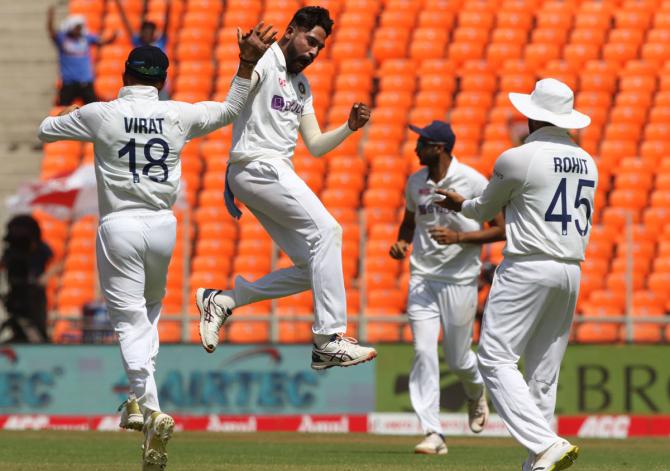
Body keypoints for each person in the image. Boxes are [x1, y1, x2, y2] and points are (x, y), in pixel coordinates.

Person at [37, 25, 275, 470]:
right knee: (149, 313)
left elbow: (45, 130)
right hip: (164, 226)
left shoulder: (100, 114)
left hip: (120, 224)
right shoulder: (178, 115)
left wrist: (76, 118)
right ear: (162, 81)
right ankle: (142, 405)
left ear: (123, 74)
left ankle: (145, 406)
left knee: (128, 322)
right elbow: (229, 110)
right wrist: (245, 63)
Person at [195, 6, 376, 370]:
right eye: (310, 41)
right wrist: (246, 62)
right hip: (256, 165)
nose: (312, 52)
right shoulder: (266, 60)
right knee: (329, 231)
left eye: (319, 49)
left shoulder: (302, 86)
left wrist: (349, 128)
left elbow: (316, 145)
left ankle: (224, 300)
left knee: (315, 267)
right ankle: (329, 338)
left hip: (266, 171)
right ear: (291, 31)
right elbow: (234, 103)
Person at [436, 78, 597, 471]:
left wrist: (462, 203)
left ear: (532, 116)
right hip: (571, 270)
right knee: (543, 371)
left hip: (527, 265)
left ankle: (545, 444)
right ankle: (538, 463)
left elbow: (483, 209)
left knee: (493, 358)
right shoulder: (587, 160)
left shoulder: (518, 157)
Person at [389, 121, 505, 455]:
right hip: (422, 278)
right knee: (423, 352)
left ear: (439, 148)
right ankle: (433, 433)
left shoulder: (472, 180)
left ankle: (475, 391)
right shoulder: (415, 182)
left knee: (458, 360)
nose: (415, 148)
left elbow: (500, 230)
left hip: (460, 280)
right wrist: (401, 242)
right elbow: (409, 223)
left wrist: (460, 238)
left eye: (421, 143)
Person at [0, 215, 61, 343]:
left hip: (35, 294)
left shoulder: (41, 247)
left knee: (36, 328)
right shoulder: (12, 250)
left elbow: (57, 263)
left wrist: (44, 278)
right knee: (17, 325)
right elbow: (4, 264)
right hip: (15, 293)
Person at [47, 7, 117, 105]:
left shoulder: (86, 38)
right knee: (62, 111)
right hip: (68, 83)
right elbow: (51, 32)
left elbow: (102, 41)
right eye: (77, 27)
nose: (79, 29)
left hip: (86, 82)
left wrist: (113, 37)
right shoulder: (62, 38)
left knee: (92, 109)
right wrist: (50, 18)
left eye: (80, 27)